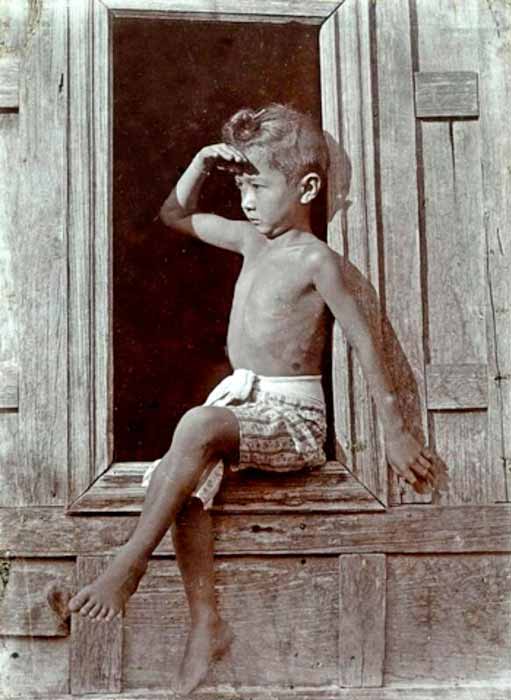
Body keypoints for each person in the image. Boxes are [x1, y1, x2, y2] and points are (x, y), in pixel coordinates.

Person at [68, 104, 438, 694]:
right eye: (239, 184)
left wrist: (396, 429)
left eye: (259, 185)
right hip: (243, 408)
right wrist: (198, 163)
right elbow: (173, 215)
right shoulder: (248, 239)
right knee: (180, 484)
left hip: (293, 419)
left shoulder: (316, 260)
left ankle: (128, 565)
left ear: (307, 187)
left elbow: (369, 344)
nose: (245, 199)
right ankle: (205, 624)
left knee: (195, 426)